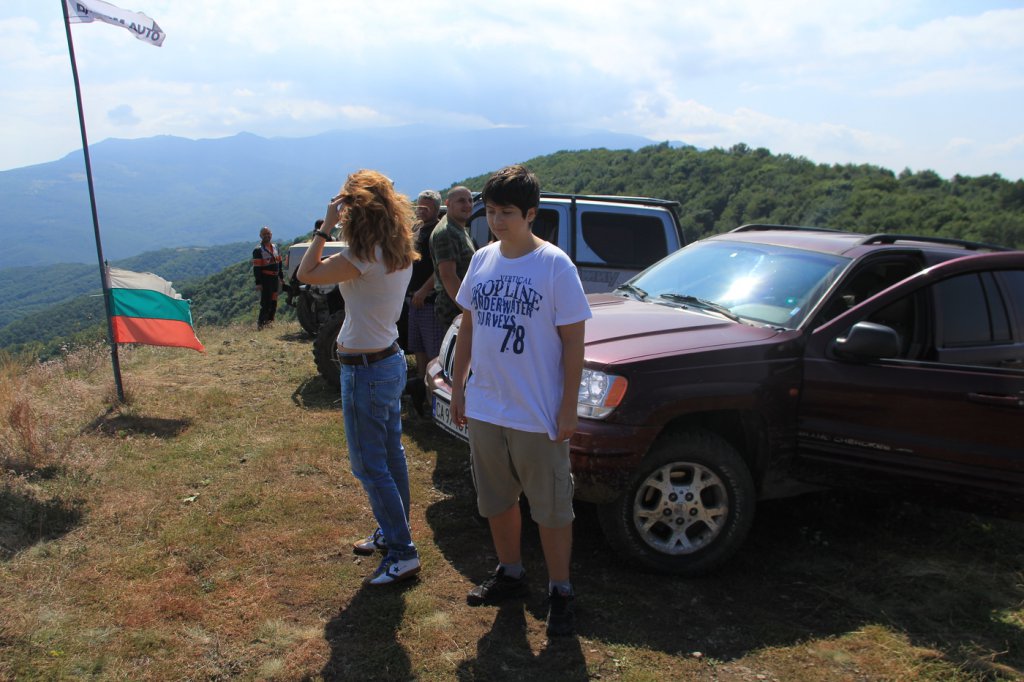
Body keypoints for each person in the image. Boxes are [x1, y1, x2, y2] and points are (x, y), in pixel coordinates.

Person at [449, 165, 591, 637]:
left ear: (531, 214)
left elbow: (574, 343)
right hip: (487, 407)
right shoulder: (482, 259)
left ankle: (561, 590)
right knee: (496, 500)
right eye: (491, 211)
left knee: (551, 508)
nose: (496, 221)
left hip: (537, 412)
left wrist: (568, 407)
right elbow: (469, 326)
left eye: (507, 212)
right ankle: (510, 573)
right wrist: (459, 384)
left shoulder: (555, 266)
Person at [297, 169, 421, 586]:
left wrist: (324, 227)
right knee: (391, 455)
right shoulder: (396, 248)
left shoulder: (362, 257)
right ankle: (392, 532)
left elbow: (305, 274)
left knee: (368, 465)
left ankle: (403, 553)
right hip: (389, 361)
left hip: (365, 370)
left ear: (357, 211)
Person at [406, 190, 443, 416]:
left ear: (437, 208)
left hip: (428, 300)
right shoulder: (417, 229)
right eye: (419, 206)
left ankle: (434, 400)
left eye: (426, 207)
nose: (421, 210)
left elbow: (441, 268)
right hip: (414, 299)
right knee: (418, 348)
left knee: (433, 352)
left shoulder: (438, 232)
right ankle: (421, 393)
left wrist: (423, 290)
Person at [429, 185, 475, 330]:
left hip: (459, 308)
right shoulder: (447, 232)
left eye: (470, 200)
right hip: (453, 310)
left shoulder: (458, 228)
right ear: (448, 203)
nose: (468, 205)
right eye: (461, 201)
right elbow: (448, 276)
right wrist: (469, 311)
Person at [252, 226, 285, 329]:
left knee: (274, 302)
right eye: (264, 234)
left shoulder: (275, 247)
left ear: (271, 235)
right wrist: (258, 282)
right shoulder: (258, 250)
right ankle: (261, 324)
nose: (267, 236)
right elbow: (257, 268)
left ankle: (270, 323)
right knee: (266, 302)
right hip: (266, 279)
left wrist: (281, 277)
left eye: (268, 234)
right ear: (260, 236)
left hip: (275, 279)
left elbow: (279, 264)